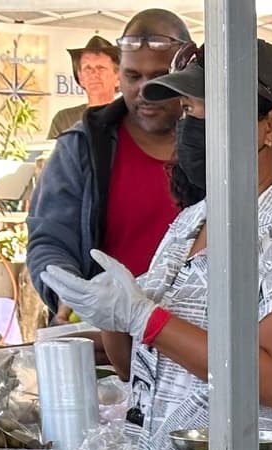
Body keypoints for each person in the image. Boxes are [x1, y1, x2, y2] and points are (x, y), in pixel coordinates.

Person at [44, 43, 272, 450]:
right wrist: (114, 316)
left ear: (271, 125)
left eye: (206, 109)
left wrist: (147, 318)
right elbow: (138, 366)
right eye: (187, 110)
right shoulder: (191, 222)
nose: (189, 126)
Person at [27, 9, 190, 316]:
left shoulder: (220, 149)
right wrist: (69, 295)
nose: (144, 90)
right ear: (120, 75)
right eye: (133, 76)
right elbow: (50, 240)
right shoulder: (80, 147)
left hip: (194, 342)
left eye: (159, 78)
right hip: (104, 337)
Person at [47, 35, 118, 140]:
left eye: (101, 68)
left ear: (118, 78)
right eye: (87, 68)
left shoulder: (132, 121)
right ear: (80, 78)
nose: (94, 74)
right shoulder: (64, 120)